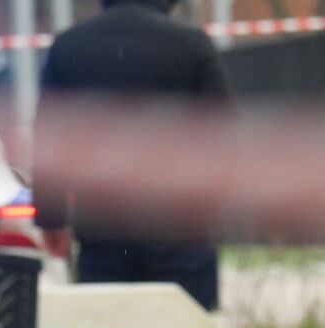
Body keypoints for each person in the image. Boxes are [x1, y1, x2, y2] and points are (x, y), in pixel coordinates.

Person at [33, 0, 232, 310]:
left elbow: (51, 136)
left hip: (102, 228)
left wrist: (51, 219)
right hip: (181, 227)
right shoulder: (192, 44)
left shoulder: (70, 46)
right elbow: (220, 134)